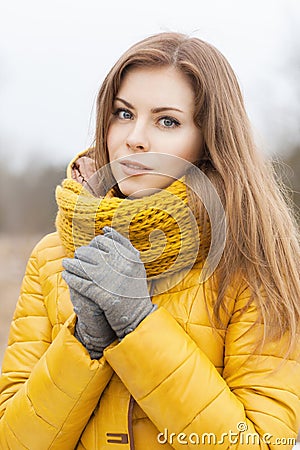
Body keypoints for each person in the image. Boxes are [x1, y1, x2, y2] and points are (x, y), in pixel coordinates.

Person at [0, 32, 299, 449]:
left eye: (167, 121)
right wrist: (84, 343)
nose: (135, 138)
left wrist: (138, 325)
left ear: (209, 140)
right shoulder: (53, 257)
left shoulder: (253, 261)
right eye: (123, 113)